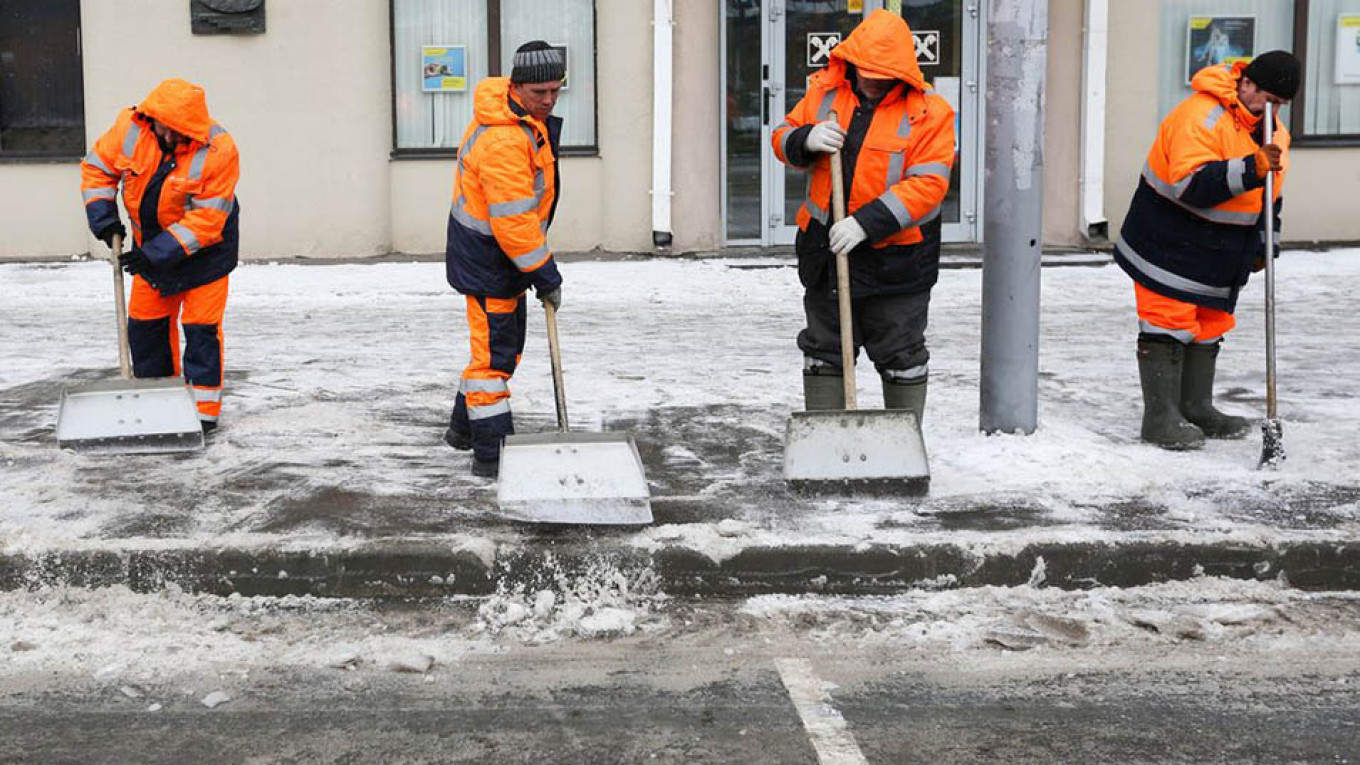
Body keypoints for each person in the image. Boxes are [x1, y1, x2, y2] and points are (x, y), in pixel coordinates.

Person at [771, 10, 955, 424]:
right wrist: (804, 138)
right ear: (851, 60)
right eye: (865, 69)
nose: (871, 79)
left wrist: (865, 224)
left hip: (896, 263)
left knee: (902, 354)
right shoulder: (824, 94)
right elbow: (781, 137)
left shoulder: (930, 113)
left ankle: (903, 445)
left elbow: (928, 185)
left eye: (882, 72)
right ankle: (826, 442)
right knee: (824, 350)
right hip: (826, 252)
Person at [1113, 51, 1299, 450]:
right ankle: (1160, 419)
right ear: (1246, 84)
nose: (1274, 110)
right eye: (1269, 100)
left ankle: (1196, 407)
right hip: (1166, 242)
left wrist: (1267, 246)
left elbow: (1272, 198)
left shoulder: (1274, 133)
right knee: (1168, 321)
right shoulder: (1200, 116)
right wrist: (1252, 169)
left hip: (1219, 252)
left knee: (1209, 323)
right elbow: (1190, 185)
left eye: (1280, 104)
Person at [80, 78, 241, 434]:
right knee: (146, 328)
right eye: (166, 129)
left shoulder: (219, 150)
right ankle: (160, 403)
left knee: (200, 330)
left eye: (179, 132)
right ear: (151, 117)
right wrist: (105, 219)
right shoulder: (130, 129)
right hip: (152, 248)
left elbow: (207, 221)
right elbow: (97, 169)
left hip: (207, 255)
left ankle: (203, 413)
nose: (170, 138)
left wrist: (153, 254)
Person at [442, 41, 566, 478]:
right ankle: (492, 457)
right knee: (492, 363)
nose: (549, 100)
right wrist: (544, 273)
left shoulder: (524, 122)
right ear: (517, 87)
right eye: (540, 92)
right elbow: (513, 220)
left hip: (502, 260)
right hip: (490, 261)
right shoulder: (504, 138)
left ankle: (461, 431)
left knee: (499, 352)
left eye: (556, 90)